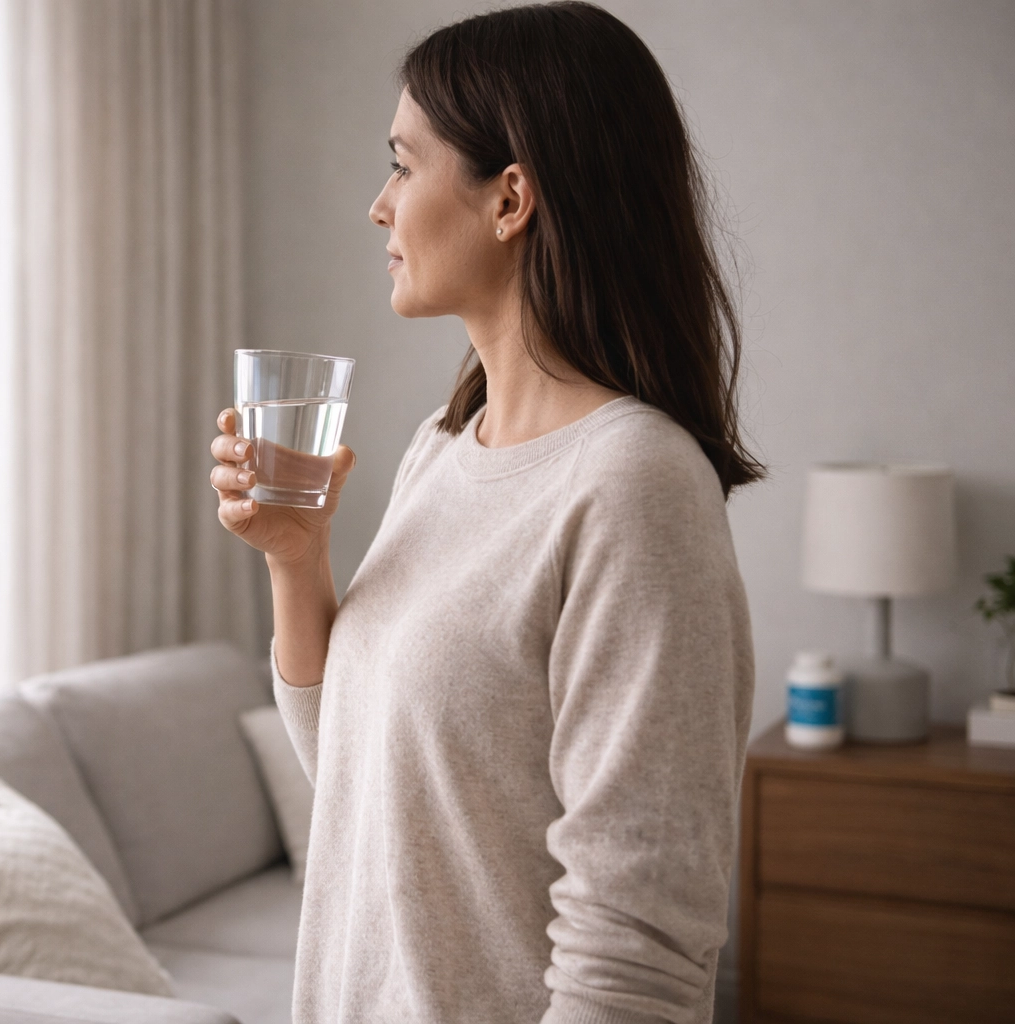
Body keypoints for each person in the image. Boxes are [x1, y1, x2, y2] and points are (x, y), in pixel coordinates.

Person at [209, 4, 763, 1023]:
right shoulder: (443, 444)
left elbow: (633, 951)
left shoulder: (634, 487)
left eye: (403, 164)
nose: (379, 206)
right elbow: (359, 789)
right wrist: (298, 559)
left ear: (511, 198)